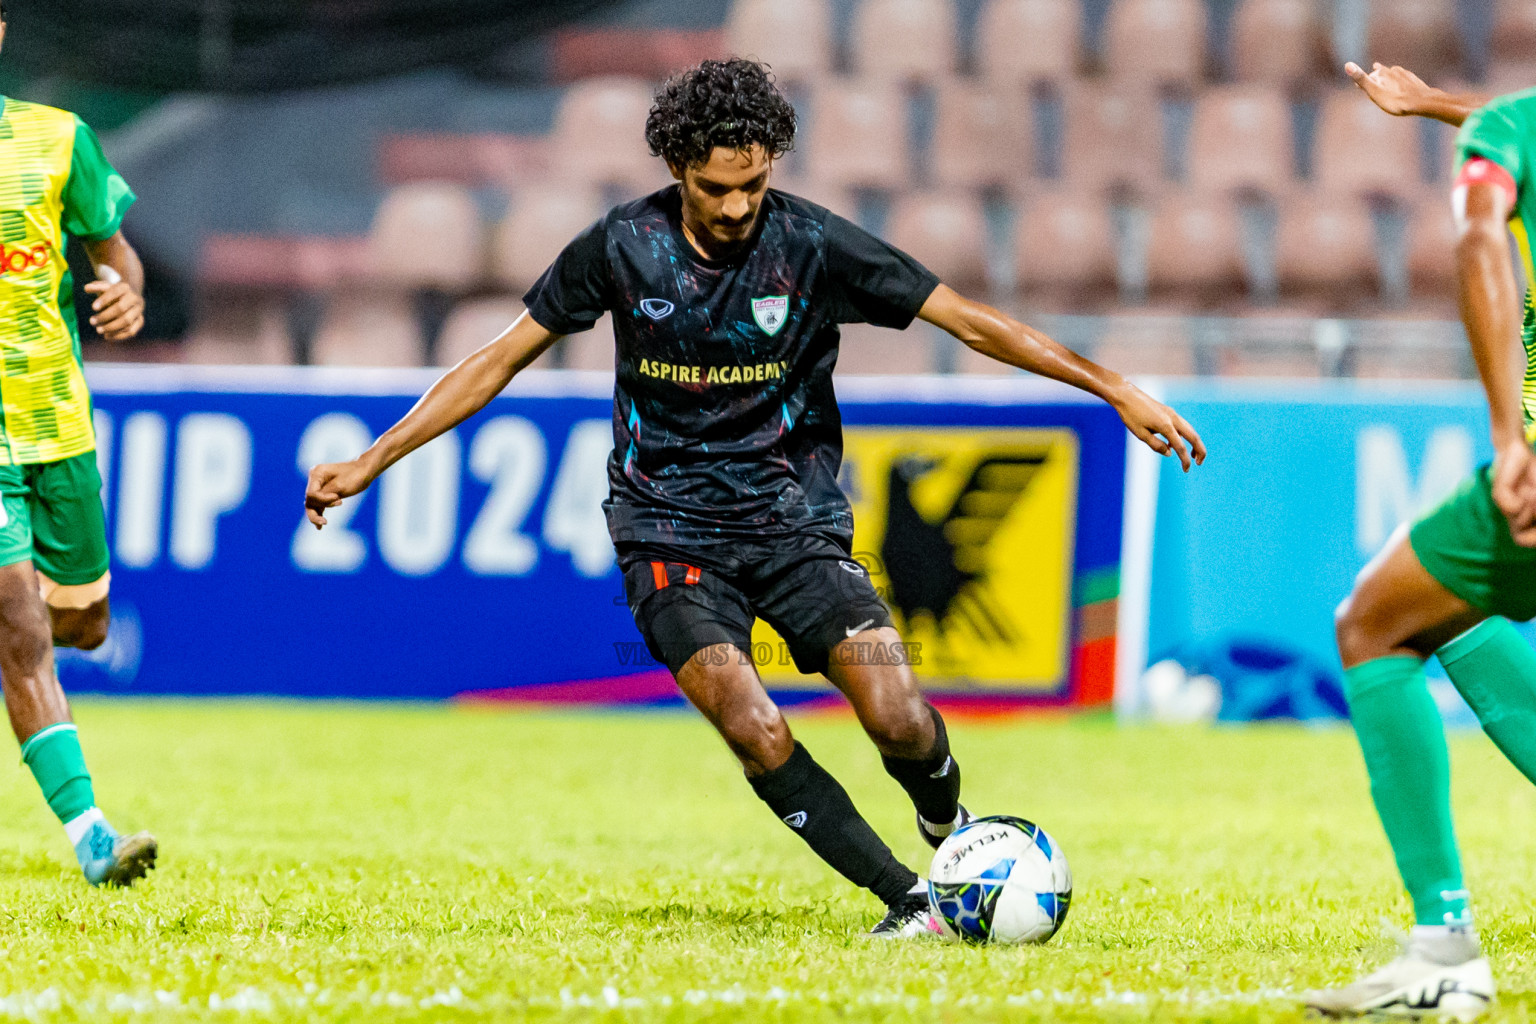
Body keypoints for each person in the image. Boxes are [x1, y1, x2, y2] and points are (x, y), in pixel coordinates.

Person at [305, 59, 1203, 936]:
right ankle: (913, 901)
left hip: (795, 522)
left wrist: (1113, 385)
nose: (737, 206)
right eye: (714, 187)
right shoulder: (621, 248)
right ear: (675, 170)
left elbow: (969, 321)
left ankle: (945, 827)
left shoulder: (814, 245)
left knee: (898, 714)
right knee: (754, 723)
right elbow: (497, 358)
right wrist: (373, 458)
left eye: (754, 184)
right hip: (665, 528)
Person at [1307, 63, 1536, 1019]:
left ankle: (1443, 945)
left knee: (1373, 625)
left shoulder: (1506, 136)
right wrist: (1439, 102)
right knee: (1436, 613)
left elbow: (1480, 238)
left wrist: (1509, 437)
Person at [0, 0, 156, 886]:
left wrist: (123, 293)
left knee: (82, 623)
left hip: (55, 418)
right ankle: (93, 835)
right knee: (19, 622)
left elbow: (114, 253)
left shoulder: (59, 141)